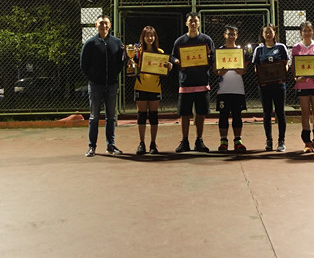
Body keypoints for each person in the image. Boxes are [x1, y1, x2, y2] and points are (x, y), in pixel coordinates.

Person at [79, 14, 125, 157]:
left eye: (106, 23)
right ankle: (92, 146)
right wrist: (93, 77)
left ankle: (110, 145)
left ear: (110, 25)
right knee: (94, 117)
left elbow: (121, 62)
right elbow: (83, 64)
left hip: (111, 85)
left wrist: (113, 75)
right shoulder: (90, 43)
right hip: (95, 86)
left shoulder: (117, 43)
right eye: (101, 23)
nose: (103, 26)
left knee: (111, 117)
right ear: (96, 25)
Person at [170, 12, 215, 153]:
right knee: (184, 114)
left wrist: (209, 56)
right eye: (191, 21)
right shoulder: (180, 41)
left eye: (196, 21)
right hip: (186, 83)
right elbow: (172, 57)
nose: (193, 23)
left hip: (202, 82)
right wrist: (177, 61)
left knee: (201, 114)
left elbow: (213, 57)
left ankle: (199, 140)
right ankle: (185, 141)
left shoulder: (206, 40)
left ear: (199, 23)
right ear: (186, 23)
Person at [130, 25, 172, 155]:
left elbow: (164, 69)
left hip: (154, 87)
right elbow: (132, 69)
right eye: (147, 36)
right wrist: (130, 64)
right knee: (141, 115)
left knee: (154, 116)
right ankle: (141, 143)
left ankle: (153, 143)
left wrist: (169, 67)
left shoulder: (160, 52)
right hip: (140, 87)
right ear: (143, 37)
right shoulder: (137, 52)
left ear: (155, 37)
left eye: (152, 35)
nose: (150, 38)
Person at [251, 24, 290, 152]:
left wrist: (281, 76)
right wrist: (262, 78)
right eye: (265, 32)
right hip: (264, 86)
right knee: (267, 113)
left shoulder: (281, 47)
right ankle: (269, 140)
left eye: (270, 32)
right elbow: (256, 68)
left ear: (274, 33)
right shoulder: (259, 49)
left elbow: (286, 64)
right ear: (262, 34)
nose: (268, 34)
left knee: (280, 112)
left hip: (279, 85)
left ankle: (281, 141)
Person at [291, 21, 314, 153]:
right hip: (302, 84)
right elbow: (294, 66)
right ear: (300, 32)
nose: (307, 33)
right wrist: (296, 78)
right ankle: (307, 142)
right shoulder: (296, 48)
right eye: (304, 31)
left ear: (313, 32)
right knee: (305, 112)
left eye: (309, 30)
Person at [214, 25, 248, 153]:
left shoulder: (241, 51)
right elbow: (214, 69)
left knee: (237, 115)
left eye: (233, 34)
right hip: (223, 89)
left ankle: (238, 141)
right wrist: (219, 72)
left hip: (237, 89)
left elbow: (245, 69)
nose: (231, 36)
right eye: (229, 34)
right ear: (225, 35)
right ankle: (223, 141)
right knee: (223, 116)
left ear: (237, 36)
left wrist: (242, 71)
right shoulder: (220, 51)